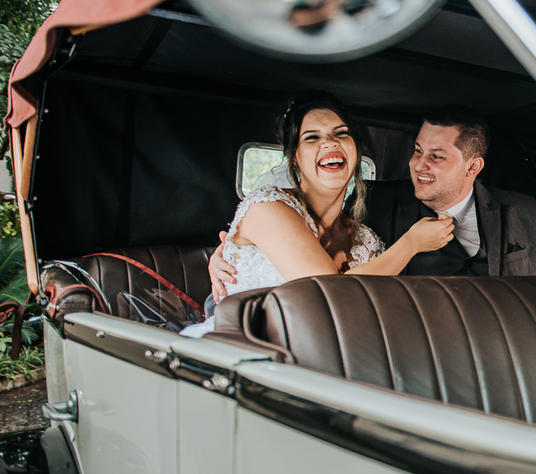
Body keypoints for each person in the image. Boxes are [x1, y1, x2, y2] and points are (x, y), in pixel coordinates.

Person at [209, 105, 536, 297]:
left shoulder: (524, 212)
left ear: (473, 166)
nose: (418, 165)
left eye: (437, 156)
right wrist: (223, 252)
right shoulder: (376, 205)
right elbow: (301, 249)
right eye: (416, 150)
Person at [184, 91, 454, 335]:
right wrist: (411, 243)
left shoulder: (367, 239)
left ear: (356, 149)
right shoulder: (267, 208)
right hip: (242, 350)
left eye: (341, 133)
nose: (330, 143)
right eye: (312, 137)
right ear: (293, 156)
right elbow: (327, 293)